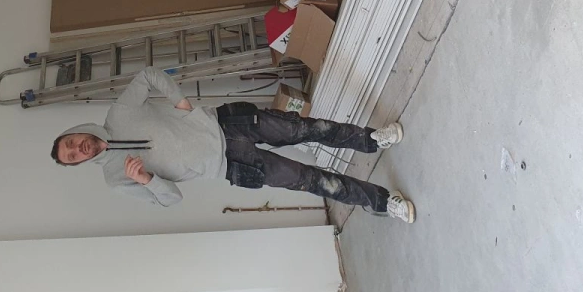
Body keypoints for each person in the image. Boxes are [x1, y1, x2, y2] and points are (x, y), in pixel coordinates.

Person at [51, 66, 416, 222]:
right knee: (311, 180)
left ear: (75, 132)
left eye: (71, 143)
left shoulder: (119, 113)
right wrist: (148, 180)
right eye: (72, 157)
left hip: (228, 122)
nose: (77, 149)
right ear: (77, 164)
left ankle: (371, 139)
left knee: (308, 128)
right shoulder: (115, 179)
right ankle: (383, 202)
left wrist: (181, 102)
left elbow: (148, 75)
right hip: (233, 166)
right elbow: (170, 200)